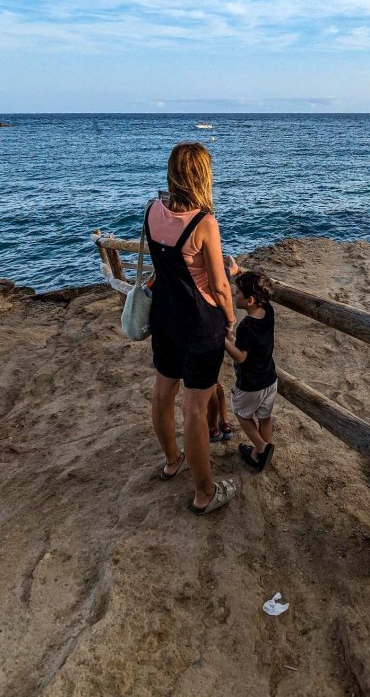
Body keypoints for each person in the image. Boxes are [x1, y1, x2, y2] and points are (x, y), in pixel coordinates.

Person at [146, 142, 237, 514]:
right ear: (202, 176)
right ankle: (204, 493)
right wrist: (230, 319)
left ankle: (172, 460)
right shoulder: (204, 223)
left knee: (163, 392)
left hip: (165, 317)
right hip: (199, 325)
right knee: (195, 410)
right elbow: (218, 285)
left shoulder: (152, 209)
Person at [224, 271, 277, 472]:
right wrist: (238, 271)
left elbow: (240, 357)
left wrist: (224, 340)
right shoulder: (268, 309)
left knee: (241, 413)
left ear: (250, 300)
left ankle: (262, 447)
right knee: (265, 416)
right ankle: (260, 455)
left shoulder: (246, 325)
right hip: (270, 379)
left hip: (251, 383)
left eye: (237, 293)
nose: (234, 295)